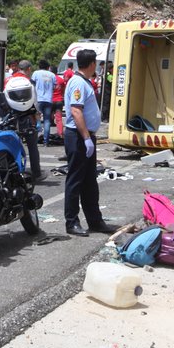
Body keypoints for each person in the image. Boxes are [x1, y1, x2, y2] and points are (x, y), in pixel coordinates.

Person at [63, 48, 114, 237]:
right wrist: (86, 138)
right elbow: (76, 111)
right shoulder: (78, 83)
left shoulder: (83, 82)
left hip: (85, 136)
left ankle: (95, 220)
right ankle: (72, 222)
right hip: (78, 136)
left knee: (89, 182)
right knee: (75, 181)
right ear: (92, 64)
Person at [32, 60, 57, 146]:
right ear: (48, 67)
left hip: (38, 99)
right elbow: (55, 86)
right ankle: (46, 142)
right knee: (47, 120)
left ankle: (35, 139)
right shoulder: (52, 75)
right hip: (48, 100)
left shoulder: (36, 73)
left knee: (36, 119)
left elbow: (32, 84)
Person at [51, 68, 66, 140]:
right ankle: (60, 134)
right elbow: (63, 90)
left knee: (47, 119)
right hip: (59, 100)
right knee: (59, 119)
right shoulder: (61, 80)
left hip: (50, 100)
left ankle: (46, 137)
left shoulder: (49, 79)